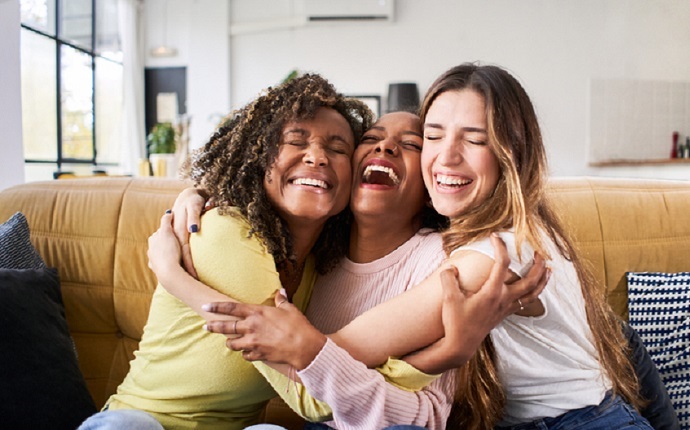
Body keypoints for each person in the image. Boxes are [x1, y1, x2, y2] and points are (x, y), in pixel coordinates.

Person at [203, 63, 661, 429]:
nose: (446, 155)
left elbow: (332, 352)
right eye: (436, 136)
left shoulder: (492, 255)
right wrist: (199, 197)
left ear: (511, 153)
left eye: (475, 139)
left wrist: (184, 283)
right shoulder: (331, 235)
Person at [162, 110, 549, 429]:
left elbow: (426, 418)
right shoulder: (314, 253)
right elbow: (268, 189)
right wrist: (195, 193)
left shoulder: (443, 262)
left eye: (412, 144)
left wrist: (176, 279)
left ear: (433, 184)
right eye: (371, 138)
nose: (385, 146)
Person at [77, 73, 374, 430]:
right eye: (296, 141)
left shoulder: (322, 263)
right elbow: (312, 400)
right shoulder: (228, 231)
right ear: (259, 159)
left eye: (338, 148)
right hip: (142, 421)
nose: (317, 157)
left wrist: (175, 276)